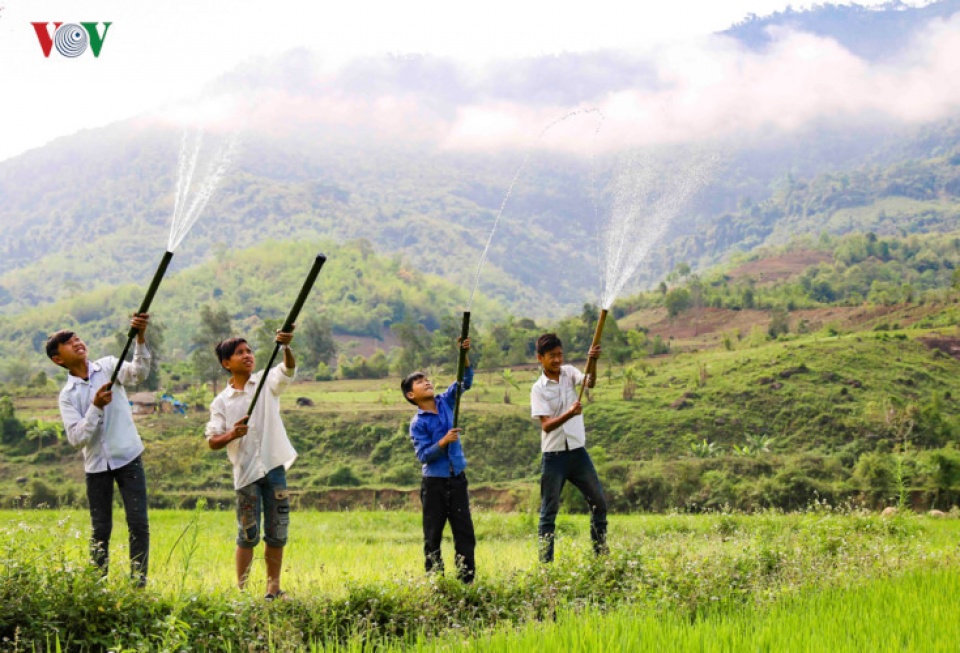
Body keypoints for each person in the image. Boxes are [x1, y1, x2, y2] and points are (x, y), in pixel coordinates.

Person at [46, 313, 152, 586]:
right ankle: (96, 588)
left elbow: (139, 373)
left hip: (128, 458)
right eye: (69, 344)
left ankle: (137, 585)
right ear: (58, 359)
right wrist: (96, 407)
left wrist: (140, 338)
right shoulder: (68, 395)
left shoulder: (108, 367)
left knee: (138, 524)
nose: (77, 343)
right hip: (96, 468)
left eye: (78, 338)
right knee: (101, 530)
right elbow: (76, 438)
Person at [205, 330, 297, 600]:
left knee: (277, 529)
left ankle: (273, 588)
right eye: (239, 353)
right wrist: (232, 434)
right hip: (245, 473)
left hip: (274, 466)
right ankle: (242, 591)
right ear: (226, 363)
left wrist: (286, 347)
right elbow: (212, 440)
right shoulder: (221, 401)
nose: (248, 356)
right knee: (247, 532)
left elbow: (288, 370)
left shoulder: (267, 381)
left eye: (249, 351)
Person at [401, 337, 476, 583]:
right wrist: (443, 442)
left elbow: (464, 381)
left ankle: (466, 581)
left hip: (457, 479)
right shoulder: (418, 423)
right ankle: (436, 583)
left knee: (464, 532)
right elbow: (423, 455)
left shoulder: (446, 401)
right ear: (412, 395)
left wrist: (463, 354)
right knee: (433, 535)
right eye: (420, 383)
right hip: (434, 483)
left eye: (427, 379)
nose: (427, 382)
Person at [530, 333, 607, 563]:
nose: (557, 360)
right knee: (548, 512)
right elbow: (547, 426)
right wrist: (569, 414)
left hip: (577, 453)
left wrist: (592, 360)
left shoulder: (570, 372)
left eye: (560, 354)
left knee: (599, 504)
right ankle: (546, 565)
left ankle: (601, 555)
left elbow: (589, 382)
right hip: (554, 457)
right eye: (552, 356)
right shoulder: (538, 389)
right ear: (540, 358)